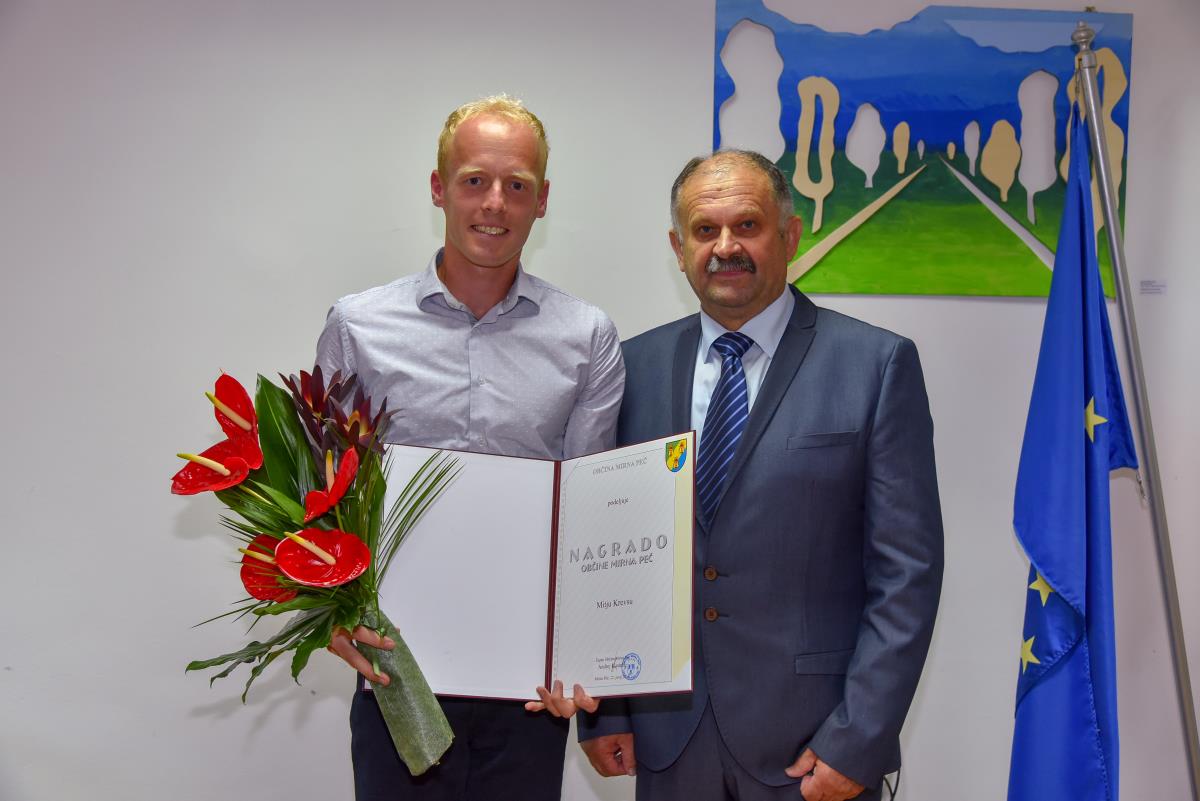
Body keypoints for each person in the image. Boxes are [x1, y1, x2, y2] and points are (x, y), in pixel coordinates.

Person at [568, 150, 944, 801]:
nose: (725, 247)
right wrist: (607, 711)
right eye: (704, 230)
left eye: (747, 225)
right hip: (669, 742)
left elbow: (906, 573)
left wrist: (857, 740)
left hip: (812, 748)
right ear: (677, 248)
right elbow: (607, 550)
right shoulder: (632, 367)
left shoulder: (876, 366)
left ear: (790, 236)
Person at [314, 95, 625, 801]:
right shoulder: (358, 326)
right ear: (438, 188)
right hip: (399, 677)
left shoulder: (587, 337)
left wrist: (588, 652)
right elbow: (324, 493)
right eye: (474, 180)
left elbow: (592, 512)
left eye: (517, 185)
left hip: (528, 692)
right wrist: (329, 613)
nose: (495, 203)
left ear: (542, 200)